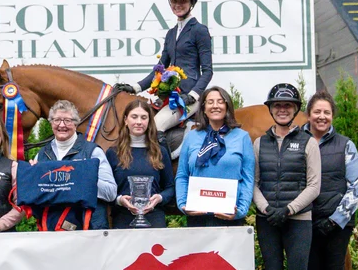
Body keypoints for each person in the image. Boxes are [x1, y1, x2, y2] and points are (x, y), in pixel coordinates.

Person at [252, 83, 321, 270]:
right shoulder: (259, 143)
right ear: (271, 109)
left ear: (295, 110)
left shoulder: (308, 142)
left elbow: (314, 185)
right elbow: (253, 182)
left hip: (299, 221)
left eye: (288, 106)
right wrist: (266, 208)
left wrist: (290, 209)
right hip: (267, 220)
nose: (283, 109)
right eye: (278, 105)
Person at [113, 0, 213, 135]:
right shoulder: (171, 33)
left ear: (191, 3)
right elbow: (159, 69)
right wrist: (135, 88)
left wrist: (193, 95)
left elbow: (207, 71)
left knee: (155, 126)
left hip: (189, 97)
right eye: (174, 0)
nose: (178, 5)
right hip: (170, 96)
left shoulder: (199, 30)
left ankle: (163, 161)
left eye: (183, 0)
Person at [303, 91, 358, 270]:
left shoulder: (345, 145)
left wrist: (334, 220)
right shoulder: (297, 141)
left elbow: (357, 187)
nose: (321, 116)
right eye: (317, 112)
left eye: (326, 112)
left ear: (332, 116)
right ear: (309, 115)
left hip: (337, 225)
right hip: (305, 222)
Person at [175, 86, 254, 227]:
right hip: (197, 217)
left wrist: (241, 211)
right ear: (204, 108)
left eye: (220, 101)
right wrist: (183, 205)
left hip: (231, 217)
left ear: (227, 106)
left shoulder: (242, 137)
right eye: (210, 102)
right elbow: (182, 175)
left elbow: (248, 178)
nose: (215, 106)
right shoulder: (191, 137)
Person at [34, 100, 117, 230]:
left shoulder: (93, 151)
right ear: (51, 123)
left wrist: (80, 178)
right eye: (57, 120)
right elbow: (35, 196)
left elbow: (110, 192)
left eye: (67, 120)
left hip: (88, 230)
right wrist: (33, 178)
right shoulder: (41, 155)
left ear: (76, 123)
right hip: (51, 230)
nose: (62, 125)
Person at [106, 98, 175, 229]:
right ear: (126, 120)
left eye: (144, 117)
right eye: (134, 117)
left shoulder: (160, 152)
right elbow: (106, 190)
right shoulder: (113, 153)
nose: (139, 122)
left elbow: (170, 188)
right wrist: (120, 200)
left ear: (149, 122)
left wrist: (159, 198)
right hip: (122, 219)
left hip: (154, 219)